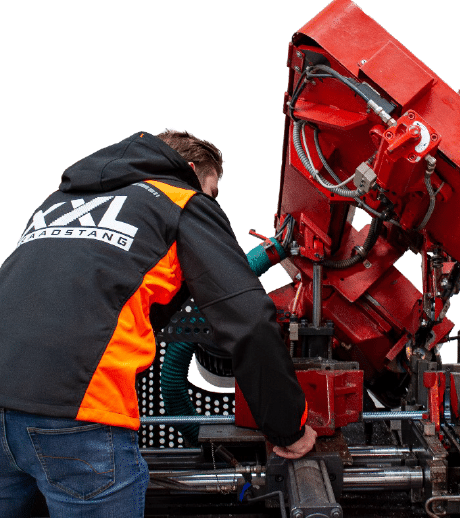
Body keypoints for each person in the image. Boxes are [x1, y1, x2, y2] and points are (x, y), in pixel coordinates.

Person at [0, 130, 316, 517]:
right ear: (188, 170)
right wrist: (289, 429)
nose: (211, 201)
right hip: (78, 418)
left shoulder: (59, 202)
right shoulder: (179, 200)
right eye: (212, 190)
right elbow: (248, 319)